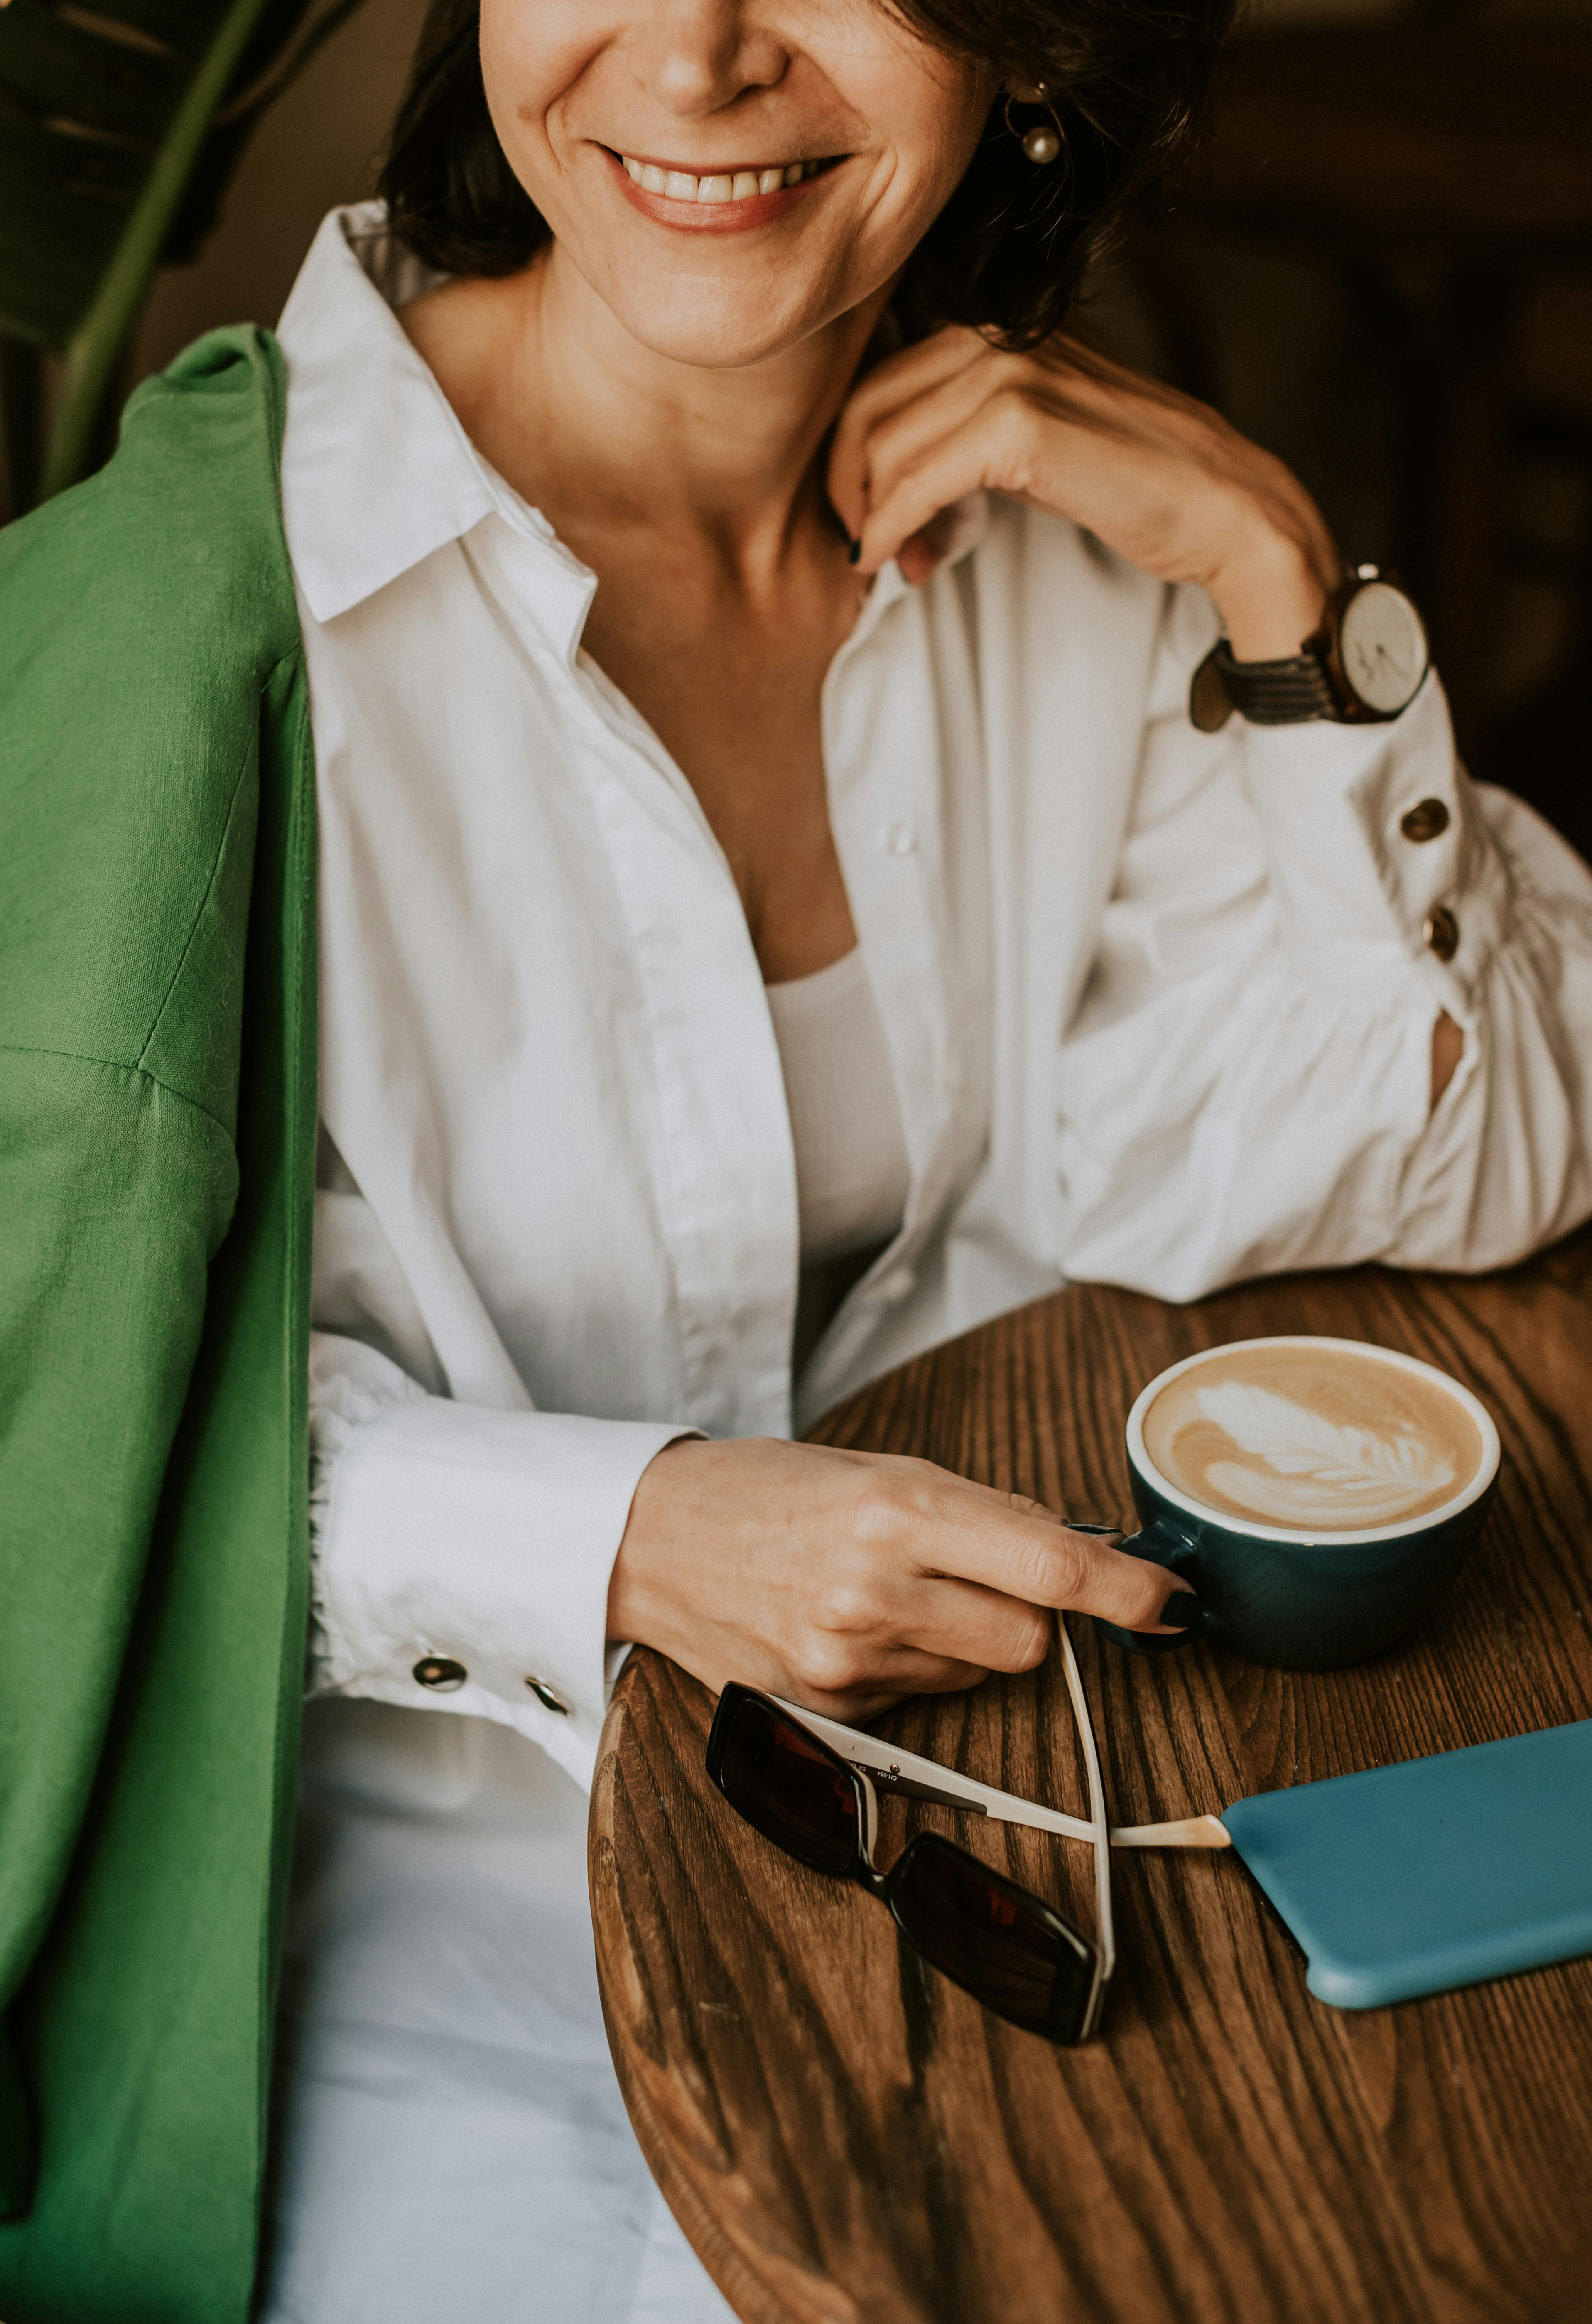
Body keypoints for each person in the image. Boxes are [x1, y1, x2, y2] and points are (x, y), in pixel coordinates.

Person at [3, 0, 1591, 2312]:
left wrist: (1282, 597)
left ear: (1039, 48)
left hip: (1022, 1854)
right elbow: (52, 1451)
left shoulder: (1077, 566)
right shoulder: (160, 619)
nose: (706, 53)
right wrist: (619, 1537)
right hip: (385, 1929)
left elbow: (1473, 1159)